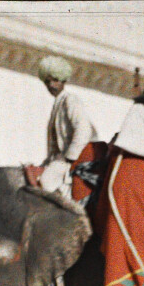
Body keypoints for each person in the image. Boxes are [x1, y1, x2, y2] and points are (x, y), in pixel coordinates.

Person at [37, 55, 95, 198]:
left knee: (46, 181)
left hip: (72, 160)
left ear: (63, 80)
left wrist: (68, 157)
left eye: (55, 80)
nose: (51, 85)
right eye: (47, 82)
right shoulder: (58, 104)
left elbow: (83, 129)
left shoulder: (70, 100)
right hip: (58, 160)